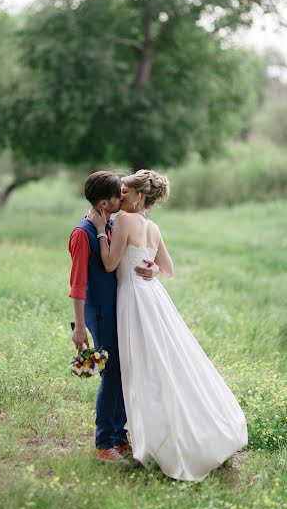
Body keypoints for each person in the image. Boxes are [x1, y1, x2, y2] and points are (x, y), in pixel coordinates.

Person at [88, 169, 248, 481]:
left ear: (140, 196)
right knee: (165, 362)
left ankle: (154, 439)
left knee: (144, 367)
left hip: (133, 299)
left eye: (124, 192)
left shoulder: (124, 221)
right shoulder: (152, 226)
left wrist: (97, 229)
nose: (119, 196)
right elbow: (168, 268)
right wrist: (153, 271)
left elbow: (109, 263)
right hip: (153, 297)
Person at [69, 171, 158, 464]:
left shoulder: (109, 225)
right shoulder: (83, 233)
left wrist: (153, 268)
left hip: (119, 309)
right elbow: (78, 285)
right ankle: (103, 441)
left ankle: (119, 438)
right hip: (100, 313)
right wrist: (79, 327)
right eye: (117, 194)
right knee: (112, 372)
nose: (123, 197)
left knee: (123, 370)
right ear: (104, 203)